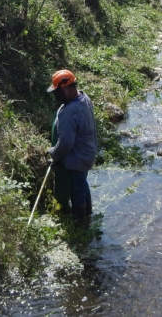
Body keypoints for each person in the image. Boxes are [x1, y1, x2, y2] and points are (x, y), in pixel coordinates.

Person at [47, 69, 97, 224]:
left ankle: (80, 222)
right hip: (88, 153)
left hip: (78, 158)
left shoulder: (70, 111)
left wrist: (53, 153)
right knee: (82, 183)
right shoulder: (84, 97)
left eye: (58, 92)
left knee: (77, 190)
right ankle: (88, 213)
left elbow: (66, 142)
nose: (56, 96)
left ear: (68, 88)